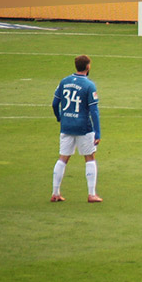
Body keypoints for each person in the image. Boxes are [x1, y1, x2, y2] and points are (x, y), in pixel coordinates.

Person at [51, 54, 102, 202]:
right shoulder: (89, 85)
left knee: (63, 158)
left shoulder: (64, 82)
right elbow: (94, 111)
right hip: (83, 127)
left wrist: (60, 117)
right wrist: (97, 132)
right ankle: (92, 194)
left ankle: (55, 193)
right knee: (90, 157)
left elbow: (55, 104)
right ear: (87, 67)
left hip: (66, 126)